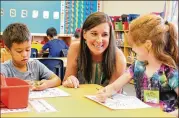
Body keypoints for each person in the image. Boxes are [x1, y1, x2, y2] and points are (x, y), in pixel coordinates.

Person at [96, 14, 178, 117]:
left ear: (148, 45)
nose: (132, 50)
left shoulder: (169, 73)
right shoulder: (138, 66)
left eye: (133, 45)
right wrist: (105, 92)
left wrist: (168, 116)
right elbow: (114, 87)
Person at [62, 12, 126, 88]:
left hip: (106, 99)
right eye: (94, 34)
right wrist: (69, 81)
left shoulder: (118, 57)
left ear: (110, 36)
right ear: (84, 34)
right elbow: (66, 81)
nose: (99, 40)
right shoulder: (76, 48)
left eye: (105, 35)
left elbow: (114, 91)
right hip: (79, 97)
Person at [1, 23, 61, 91]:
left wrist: (47, 84)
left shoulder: (35, 65)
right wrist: (19, 85)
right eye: (19, 51)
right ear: (8, 50)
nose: (24, 54)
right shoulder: (5, 68)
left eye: (28, 49)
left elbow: (57, 80)